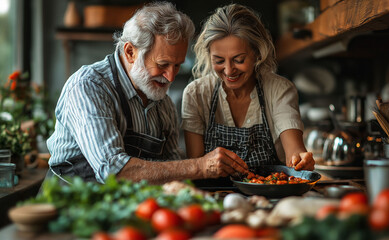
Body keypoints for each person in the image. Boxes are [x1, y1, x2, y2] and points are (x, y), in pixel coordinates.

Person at [45, 2, 248, 185]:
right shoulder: (88, 87)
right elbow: (114, 172)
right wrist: (200, 166)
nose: (170, 77)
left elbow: (171, 168)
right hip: (67, 207)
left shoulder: (163, 103)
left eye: (177, 65)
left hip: (124, 208)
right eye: (162, 64)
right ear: (130, 52)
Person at [181, 4, 315, 171]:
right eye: (219, 61)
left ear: (257, 53)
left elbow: (294, 152)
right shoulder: (196, 94)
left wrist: (300, 160)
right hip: (213, 193)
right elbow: (197, 167)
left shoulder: (279, 90)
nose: (229, 70)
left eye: (239, 60)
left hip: (269, 192)